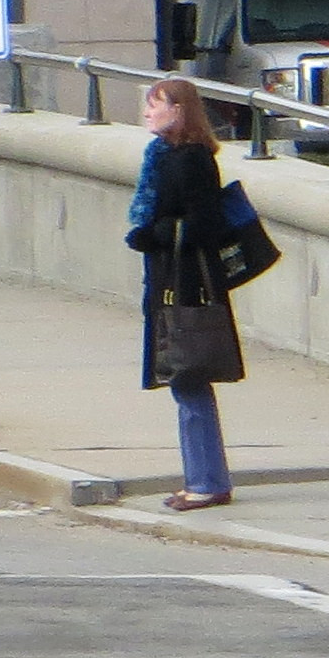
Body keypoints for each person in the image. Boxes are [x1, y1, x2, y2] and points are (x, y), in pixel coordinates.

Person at [124, 79, 237, 510]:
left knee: (189, 377)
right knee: (185, 381)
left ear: (180, 111)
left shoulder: (190, 160)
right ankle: (203, 477)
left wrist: (151, 233)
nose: (148, 112)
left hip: (185, 283)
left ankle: (206, 481)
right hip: (169, 276)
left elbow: (202, 224)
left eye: (156, 105)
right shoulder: (162, 156)